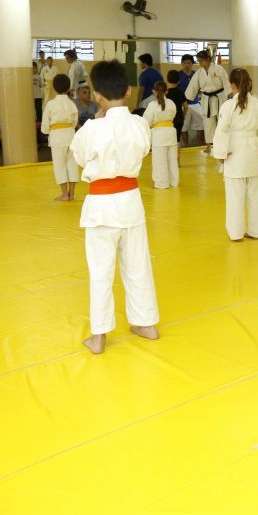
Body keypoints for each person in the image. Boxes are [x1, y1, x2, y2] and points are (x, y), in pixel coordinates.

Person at [69, 60, 159, 354]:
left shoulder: (92, 128)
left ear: (96, 95)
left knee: (101, 271)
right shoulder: (139, 123)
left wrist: (95, 121)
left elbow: (81, 157)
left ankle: (99, 337)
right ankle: (145, 323)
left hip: (101, 207)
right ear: (129, 90)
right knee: (138, 264)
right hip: (131, 203)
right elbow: (144, 149)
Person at [212, 68, 258, 241]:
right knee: (254, 196)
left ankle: (236, 233)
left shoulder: (228, 106)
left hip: (234, 153)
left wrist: (220, 153)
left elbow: (221, 131)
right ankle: (257, 231)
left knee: (235, 197)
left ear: (231, 85)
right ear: (249, 83)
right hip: (253, 152)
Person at [41, 74, 80, 201]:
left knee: (60, 165)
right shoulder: (72, 104)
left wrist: (47, 131)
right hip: (71, 136)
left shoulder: (50, 104)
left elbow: (45, 125)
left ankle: (64, 194)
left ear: (53, 87)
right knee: (72, 164)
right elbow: (75, 121)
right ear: (69, 88)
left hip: (57, 138)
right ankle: (72, 193)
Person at [185, 50, 229, 154]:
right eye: (198, 61)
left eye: (201, 60)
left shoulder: (218, 69)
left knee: (222, 121)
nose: (199, 63)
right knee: (208, 123)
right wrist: (187, 98)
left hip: (219, 98)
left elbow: (226, 82)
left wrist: (230, 95)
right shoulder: (199, 72)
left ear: (208, 59)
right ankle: (209, 146)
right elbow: (193, 85)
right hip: (206, 99)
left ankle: (226, 145)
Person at [142, 81, 179, 189]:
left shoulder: (152, 105)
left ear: (154, 91)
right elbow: (174, 115)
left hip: (159, 133)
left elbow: (146, 121)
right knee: (172, 159)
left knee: (160, 161)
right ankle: (174, 181)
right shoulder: (171, 103)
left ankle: (161, 184)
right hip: (171, 132)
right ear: (166, 92)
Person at [178, 54, 204, 147]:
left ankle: (200, 143)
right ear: (182, 64)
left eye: (189, 63)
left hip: (195, 103)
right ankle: (186, 145)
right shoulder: (178, 75)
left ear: (192, 64)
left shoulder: (196, 74)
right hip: (183, 104)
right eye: (184, 63)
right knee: (184, 126)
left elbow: (201, 87)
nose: (186, 65)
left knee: (201, 123)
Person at [164, 70, 188, 145]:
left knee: (168, 138)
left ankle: (169, 155)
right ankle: (177, 155)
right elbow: (186, 107)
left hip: (169, 119)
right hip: (179, 118)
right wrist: (183, 116)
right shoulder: (181, 93)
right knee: (177, 138)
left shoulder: (165, 93)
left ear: (167, 80)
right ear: (178, 81)